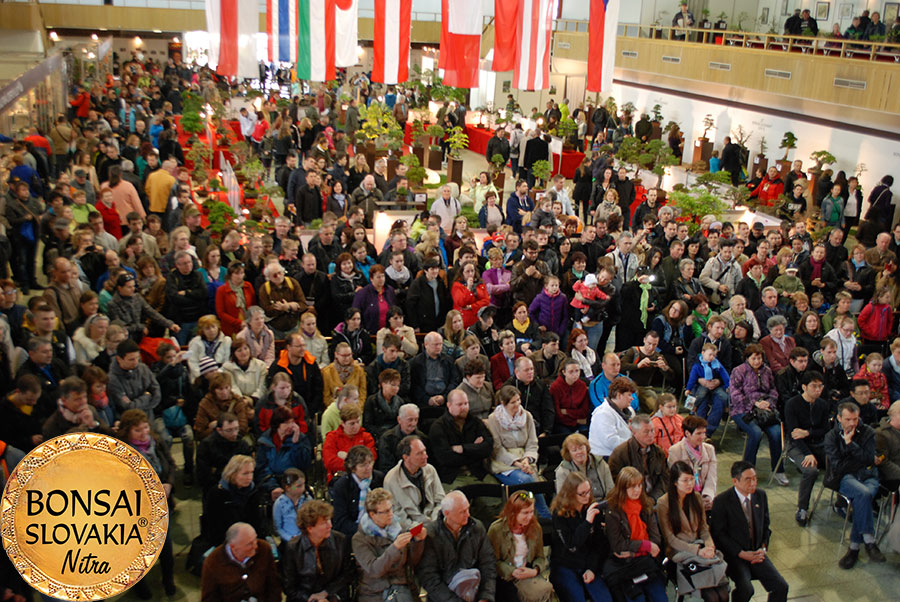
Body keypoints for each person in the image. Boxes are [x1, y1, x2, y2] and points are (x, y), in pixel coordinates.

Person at [710, 461, 789, 602]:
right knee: (746, 589)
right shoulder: (722, 501)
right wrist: (740, 553)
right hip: (735, 556)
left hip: (756, 552)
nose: (753, 483)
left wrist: (763, 548)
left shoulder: (760, 496)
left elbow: (766, 526)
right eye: (748, 479)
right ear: (735, 481)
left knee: (781, 586)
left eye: (755, 478)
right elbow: (719, 535)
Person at [657, 461, 730, 602]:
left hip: (700, 546)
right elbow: (670, 538)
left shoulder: (696, 497)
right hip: (679, 551)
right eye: (685, 480)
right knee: (712, 597)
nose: (690, 483)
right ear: (675, 482)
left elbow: (703, 528)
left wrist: (709, 545)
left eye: (692, 479)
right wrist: (697, 551)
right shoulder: (663, 503)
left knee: (724, 595)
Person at [824, 401, 885, 568]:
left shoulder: (868, 432)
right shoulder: (831, 437)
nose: (852, 423)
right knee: (864, 495)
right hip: (845, 478)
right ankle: (869, 541)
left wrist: (851, 444)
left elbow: (868, 459)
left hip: (868, 477)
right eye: (848, 419)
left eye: (855, 419)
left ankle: (854, 548)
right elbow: (838, 466)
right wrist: (859, 459)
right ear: (839, 418)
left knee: (862, 497)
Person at [418, 491, 497, 602]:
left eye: (468, 509)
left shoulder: (477, 528)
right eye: (462, 512)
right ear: (447, 513)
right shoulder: (431, 535)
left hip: (475, 593)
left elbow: (488, 564)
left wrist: (485, 597)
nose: (468, 514)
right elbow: (429, 578)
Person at [604, 466, 668, 602]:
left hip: (646, 562)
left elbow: (655, 539)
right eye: (632, 487)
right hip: (625, 566)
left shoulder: (646, 505)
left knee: (661, 599)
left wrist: (636, 552)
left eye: (639, 486)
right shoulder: (613, 510)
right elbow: (618, 546)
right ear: (622, 488)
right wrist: (646, 546)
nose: (637, 490)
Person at [352, 487, 427, 602]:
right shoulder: (360, 539)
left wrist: (418, 541)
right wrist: (395, 548)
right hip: (374, 592)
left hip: (402, 588)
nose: (391, 514)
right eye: (385, 511)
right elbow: (374, 570)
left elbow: (412, 562)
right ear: (372, 515)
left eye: (391, 509)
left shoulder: (399, 527)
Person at [486, 385, 551, 518]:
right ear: (503, 403)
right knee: (527, 480)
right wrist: (518, 464)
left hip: (525, 461)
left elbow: (532, 443)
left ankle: (535, 516)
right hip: (504, 463)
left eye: (518, 400)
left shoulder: (527, 416)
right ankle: (544, 514)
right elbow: (497, 449)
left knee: (531, 481)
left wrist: (527, 460)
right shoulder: (493, 419)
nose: (517, 404)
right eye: (513, 402)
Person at [549, 472, 613, 602]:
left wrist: (591, 568)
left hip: (588, 562)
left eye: (588, 492)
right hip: (565, 564)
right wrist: (587, 522)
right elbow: (571, 545)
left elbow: (599, 545)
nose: (586, 496)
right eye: (582, 494)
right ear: (571, 494)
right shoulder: (559, 513)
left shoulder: (593, 509)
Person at [729, 344, 788, 483]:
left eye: (759, 358)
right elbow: (735, 394)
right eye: (754, 358)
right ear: (747, 358)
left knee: (776, 433)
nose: (757, 361)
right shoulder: (739, 371)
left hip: (765, 410)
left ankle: (778, 470)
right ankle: (747, 470)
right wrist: (754, 403)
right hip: (743, 410)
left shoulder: (766, 371)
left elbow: (773, 390)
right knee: (755, 433)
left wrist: (769, 403)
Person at [487, 490, 554, 602]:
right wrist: (511, 571)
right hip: (505, 577)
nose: (529, 516)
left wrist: (535, 570)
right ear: (513, 512)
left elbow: (540, 557)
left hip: (527, 570)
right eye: (525, 513)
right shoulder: (496, 530)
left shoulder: (535, 528)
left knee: (546, 588)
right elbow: (492, 561)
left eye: (531, 512)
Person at [283, 500, 355, 602]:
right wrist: (312, 599)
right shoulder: (293, 548)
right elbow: (289, 587)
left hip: (333, 596)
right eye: (324, 522)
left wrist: (326, 594)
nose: (330, 525)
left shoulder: (340, 540)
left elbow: (347, 574)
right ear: (310, 528)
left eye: (329, 520)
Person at [784, 371, 830, 526]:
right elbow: (794, 435)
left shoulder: (823, 404)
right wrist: (807, 453)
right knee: (811, 471)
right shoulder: (792, 404)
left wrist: (808, 432)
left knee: (839, 463)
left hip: (818, 443)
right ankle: (802, 508)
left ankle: (841, 503)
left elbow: (825, 430)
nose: (818, 390)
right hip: (797, 446)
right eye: (814, 386)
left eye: (820, 386)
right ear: (804, 387)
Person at [200, 522, 281, 602]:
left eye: (255, 539)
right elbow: (209, 599)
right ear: (233, 547)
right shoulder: (212, 562)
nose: (255, 546)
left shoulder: (264, 549)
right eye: (249, 544)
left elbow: (274, 586)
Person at [201, 455, 267, 546]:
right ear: (233, 473)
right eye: (245, 473)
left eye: (251, 473)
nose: (250, 477)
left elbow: (259, 523)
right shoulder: (216, 494)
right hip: (225, 543)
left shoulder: (254, 492)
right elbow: (212, 527)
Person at [608, 414, 668, 501]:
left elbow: (664, 479)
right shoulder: (620, 454)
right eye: (646, 432)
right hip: (631, 499)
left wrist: (653, 499)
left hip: (656, 499)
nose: (651, 435)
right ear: (634, 433)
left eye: (652, 430)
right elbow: (617, 484)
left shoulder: (659, 453)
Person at [330, 445, 384, 536]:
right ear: (353, 468)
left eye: (370, 463)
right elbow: (340, 522)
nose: (368, 468)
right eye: (362, 465)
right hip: (355, 533)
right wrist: (365, 530)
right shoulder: (342, 486)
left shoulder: (379, 478)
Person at [667, 416, 718, 510]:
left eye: (704, 433)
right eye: (698, 433)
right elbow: (677, 480)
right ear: (687, 433)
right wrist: (696, 500)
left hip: (705, 495)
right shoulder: (675, 450)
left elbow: (712, 477)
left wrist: (707, 496)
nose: (703, 437)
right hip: (685, 497)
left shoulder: (709, 449)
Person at [196, 412, 253, 493]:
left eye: (236, 428)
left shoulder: (242, 444)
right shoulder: (206, 446)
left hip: (241, 487)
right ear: (219, 430)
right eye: (229, 430)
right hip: (215, 489)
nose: (234, 434)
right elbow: (203, 475)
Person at [322, 404, 377, 483]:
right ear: (343, 423)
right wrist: (358, 465)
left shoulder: (366, 437)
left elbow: (372, 458)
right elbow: (330, 462)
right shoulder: (332, 438)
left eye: (358, 422)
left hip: (364, 478)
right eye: (352, 423)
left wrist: (347, 458)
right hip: (339, 478)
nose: (356, 426)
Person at [685, 342, 730, 436]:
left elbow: (724, 375)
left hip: (715, 385)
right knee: (700, 395)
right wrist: (688, 388)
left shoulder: (716, 364)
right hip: (702, 385)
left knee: (724, 396)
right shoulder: (697, 365)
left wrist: (727, 385)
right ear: (703, 353)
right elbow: (692, 378)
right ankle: (691, 408)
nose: (712, 357)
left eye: (714, 355)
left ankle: (726, 409)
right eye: (710, 354)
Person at [588, 376, 636, 456]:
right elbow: (611, 442)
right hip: (605, 457)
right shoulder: (603, 413)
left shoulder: (630, 411)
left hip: (624, 453)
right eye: (629, 395)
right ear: (619, 395)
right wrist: (635, 444)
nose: (632, 398)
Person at [550, 358, 591, 435]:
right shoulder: (555, 387)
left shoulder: (582, 386)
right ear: (564, 372)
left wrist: (567, 411)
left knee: (586, 435)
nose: (575, 374)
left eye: (577, 371)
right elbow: (558, 415)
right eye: (571, 372)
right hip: (562, 424)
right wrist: (577, 420)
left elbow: (584, 411)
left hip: (579, 424)